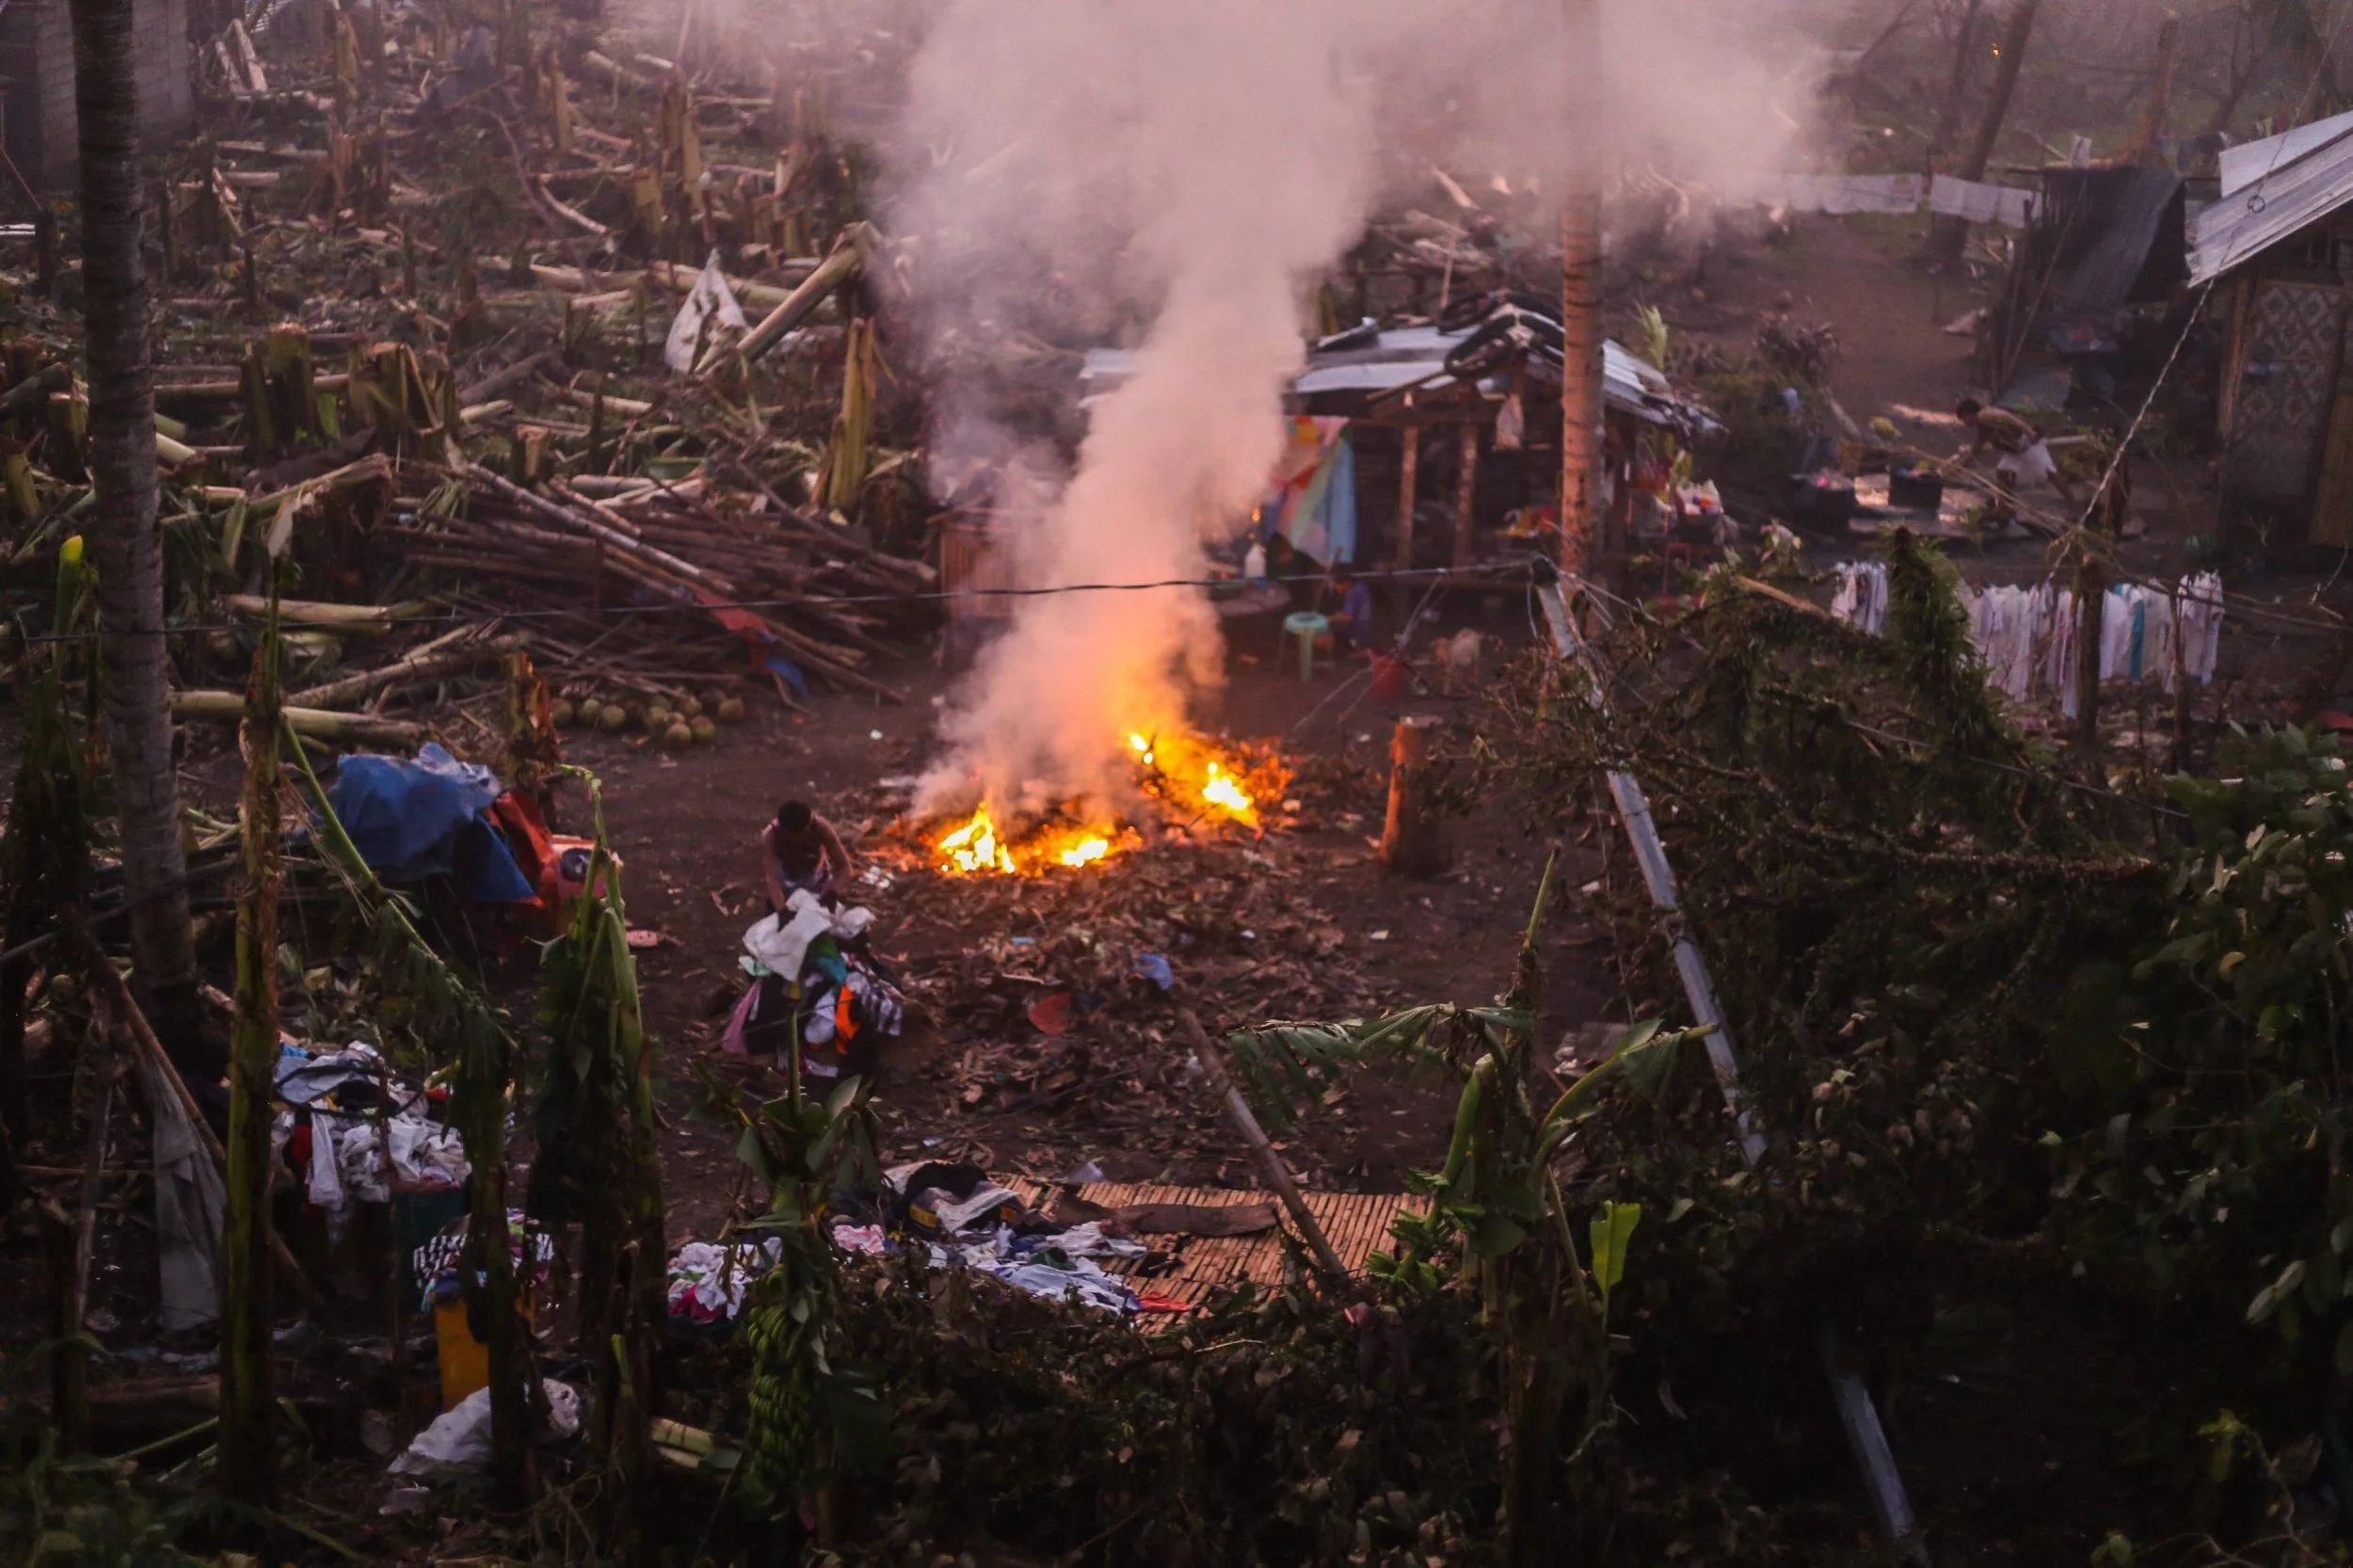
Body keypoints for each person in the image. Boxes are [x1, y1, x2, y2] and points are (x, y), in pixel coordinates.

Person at [1956, 397, 2079, 509]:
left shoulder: (1985, 415)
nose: (1964, 423)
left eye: (1963, 419)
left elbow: (2009, 417)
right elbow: (1977, 449)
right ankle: (2005, 506)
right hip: (2014, 451)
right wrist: (1960, 467)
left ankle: (2073, 504)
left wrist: (2030, 432)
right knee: (2002, 471)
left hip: (2028, 443)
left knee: (2050, 473)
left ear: (1969, 414)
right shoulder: (1982, 425)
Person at [761, 800, 853, 910]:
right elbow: (772, 878)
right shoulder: (771, 836)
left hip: (818, 883)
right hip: (785, 884)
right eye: (792, 835)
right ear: (783, 829)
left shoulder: (822, 829)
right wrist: (782, 910)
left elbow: (845, 867)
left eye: (802, 834)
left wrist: (833, 893)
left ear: (809, 823)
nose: (797, 839)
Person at [1327, 565, 1375, 652]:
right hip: (1366, 626)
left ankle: (1338, 652)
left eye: (1337, 584)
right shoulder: (1361, 586)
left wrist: (1330, 619)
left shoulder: (1351, 594)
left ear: (1346, 583)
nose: (1335, 588)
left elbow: (1348, 617)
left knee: (1330, 627)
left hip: (1358, 631)